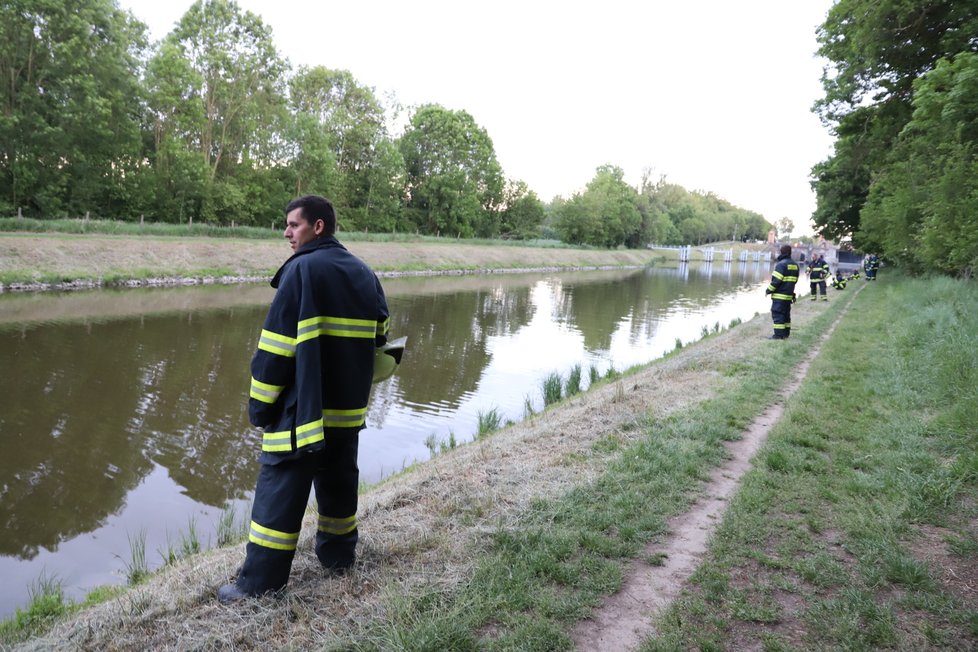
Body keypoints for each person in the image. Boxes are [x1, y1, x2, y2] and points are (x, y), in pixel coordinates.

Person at [219, 195, 392, 603]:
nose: (286, 233)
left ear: (318, 227)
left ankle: (258, 585)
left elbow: (276, 351)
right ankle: (338, 558)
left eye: (293, 225)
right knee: (338, 487)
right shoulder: (365, 273)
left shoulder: (300, 271)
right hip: (346, 414)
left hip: (302, 414)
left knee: (279, 494)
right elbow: (380, 338)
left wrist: (260, 408)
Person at [765, 244, 798, 339]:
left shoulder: (781, 264)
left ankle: (778, 335)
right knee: (786, 315)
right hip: (788, 295)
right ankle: (786, 334)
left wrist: (768, 290)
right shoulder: (795, 265)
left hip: (780, 295)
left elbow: (776, 281)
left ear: (782, 252)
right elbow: (795, 280)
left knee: (777, 313)